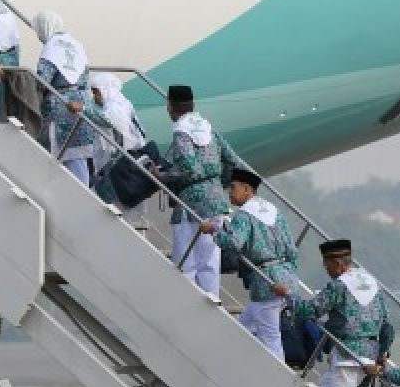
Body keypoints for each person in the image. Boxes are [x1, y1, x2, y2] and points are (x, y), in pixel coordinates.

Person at [276, 240, 390, 387]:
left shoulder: (339, 285)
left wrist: (287, 294)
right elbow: (387, 326)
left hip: (347, 357)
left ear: (337, 264)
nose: (325, 269)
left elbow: (309, 310)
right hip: (369, 355)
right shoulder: (371, 282)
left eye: (326, 264)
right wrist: (382, 354)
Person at [198, 168, 299, 361]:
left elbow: (233, 243)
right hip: (284, 277)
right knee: (240, 329)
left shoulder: (243, 215)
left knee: (271, 339)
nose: (230, 191)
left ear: (247, 189)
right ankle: (225, 362)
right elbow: (293, 251)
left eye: (233, 187)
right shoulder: (274, 211)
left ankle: (277, 380)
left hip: (266, 282)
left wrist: (212, 230)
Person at [157, 85, 244, 298]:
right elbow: (234, 162)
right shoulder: (209, 129)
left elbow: (188, 169)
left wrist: (162, 177)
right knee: (209, 260)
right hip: (216, 201)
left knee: (185, 261)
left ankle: (184, 303)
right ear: (192, 105)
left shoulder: (181, 131)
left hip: (190, 205)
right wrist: (219, 182)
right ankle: (211, 303)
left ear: (171, 106)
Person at [32, 11, 109, 186]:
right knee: (78, 159)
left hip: (60, 108)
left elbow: (42, 80)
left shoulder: (51, 47)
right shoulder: (76, 44)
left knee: (57, 158)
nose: (38, 36)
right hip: (81, 103)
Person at [89, 72, 147, 172]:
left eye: (96, 92)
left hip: (128, 154)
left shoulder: (115, 105)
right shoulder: (119, 101)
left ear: (105, 89)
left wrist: (84, 109)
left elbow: (107, 121)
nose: (94, 97)